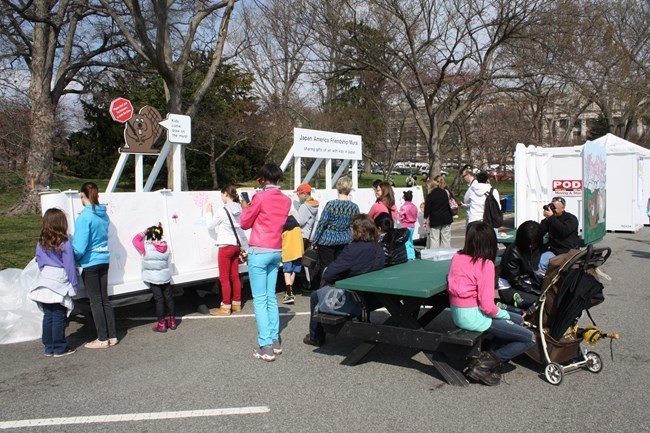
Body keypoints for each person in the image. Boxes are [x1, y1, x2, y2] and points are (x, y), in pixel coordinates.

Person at [447, 222, 535, 386]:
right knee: (528, 338)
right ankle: (481, 365)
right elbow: (487, 307)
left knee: (517, 320)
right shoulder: (485, 265)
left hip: (458, 314)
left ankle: (488, 352)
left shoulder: (458, 257)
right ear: (490, 243)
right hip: (475, 318)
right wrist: (507, 313)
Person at [304, 214, 385, 346]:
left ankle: (315, 336)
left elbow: (330, 274)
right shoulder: (378, 248)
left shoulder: (352, 249)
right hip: (373, 295)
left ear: (357, 231)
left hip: (355, 297)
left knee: (315, 296)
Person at [240, 163, 291, 362]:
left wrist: (246, 207)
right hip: (276, 249)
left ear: (262, 178)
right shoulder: (286, 200)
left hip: (259, 250)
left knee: (260, 300)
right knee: (270, 297)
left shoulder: (259, 197)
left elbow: (245, 222)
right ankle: (275, 341)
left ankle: (265, 346)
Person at [72, 182, 117, 349]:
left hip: (90, 262)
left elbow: (79, 246)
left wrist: (72, 257)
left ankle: (102, 338)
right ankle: (112, 335)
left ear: (83, 196)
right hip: (104, 259)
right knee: (104, 299)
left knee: (95, 301)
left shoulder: (84, 217)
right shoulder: (104, 215)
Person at [29, 208, 78, 357]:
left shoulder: (41, 241)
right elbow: (69, 265)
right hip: (59, 278)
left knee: (48, 315)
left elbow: (39, 261)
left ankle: (49, 346)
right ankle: (59, 347)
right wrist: (74, 284)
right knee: (58, 314)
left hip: (45, 278)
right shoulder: (65, 243)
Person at [205, 185, 248, 316]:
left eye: (221, 195)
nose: (221, 197)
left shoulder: (222, 211)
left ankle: (225, 306)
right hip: (236, 246)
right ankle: (236, 304)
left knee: (224, 278)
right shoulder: (240, 209)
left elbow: (210, 225)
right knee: (235, 276)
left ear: (225, 194)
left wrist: (207, 212)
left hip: (225, 246)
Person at [311, 176, 360, 288]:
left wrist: (315, 241)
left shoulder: (331, 205)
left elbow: (322, 224)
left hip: (327, 240)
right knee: (340, 268)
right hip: (344, 240)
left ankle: (324, 290)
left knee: (326, 268)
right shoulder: (354, 207)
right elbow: (355, 225)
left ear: (338, 189)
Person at [132, 223, 175, 332]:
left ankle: (161, 324)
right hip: (165, 277)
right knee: (169, 298)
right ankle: (172, 321)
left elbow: (135, 240)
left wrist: (145, 231)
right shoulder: (166, 247)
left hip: (153, 278)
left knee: (159, 300)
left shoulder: (146, 247)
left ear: (149, 236)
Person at [498, 220, 544, 309]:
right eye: (529, 243)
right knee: (539, 301)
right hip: (509, 288)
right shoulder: (513, 252)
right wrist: (535, 291)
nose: (531, 246)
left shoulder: (535, 248)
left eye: (533, 243)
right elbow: (515, 281)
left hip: (527, 283)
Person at [539, 196, 580, 274]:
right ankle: (543, 282)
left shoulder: (571, 218)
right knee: (541, 261)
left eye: (555, 208)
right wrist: (547, 219)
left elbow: (564, 231)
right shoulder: (551, 219)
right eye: (552, 207)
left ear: (563, 208)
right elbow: (540, 232)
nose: (553, 210)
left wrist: (551, 217)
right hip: (554, 251)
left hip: (568, 251)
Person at [424, 176, 453, 248]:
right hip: (446, 217)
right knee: (446, 239)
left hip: (435, 219)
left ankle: (435, 255)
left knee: (434, 239)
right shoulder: (445, 192)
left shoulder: (430, 195)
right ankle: (446, 255)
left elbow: (427, 209)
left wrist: (425, 220)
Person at [281, 215, 304, 304]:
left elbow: (281, 240)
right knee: (293, 272)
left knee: (287, 272)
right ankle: (289, 292)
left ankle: (289, 294)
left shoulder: (285, 229)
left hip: (288, 253)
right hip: (298, 253)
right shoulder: (297, 227)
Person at [294, 183, 319, 249]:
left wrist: (293, 215)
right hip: (309, 236)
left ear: (304, 194)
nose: (297, 195)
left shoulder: (304, 206)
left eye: (299, 193)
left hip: (302, 236)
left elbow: (299, 222)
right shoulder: (315, 205)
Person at [398, 191, 418, 259]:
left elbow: (401, 216)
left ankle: (408, 255)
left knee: (406, 242)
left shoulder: (404, 207)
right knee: (410, 240)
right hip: (412, 225)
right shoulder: (414, 207)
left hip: (405, 225)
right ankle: (412, 255)